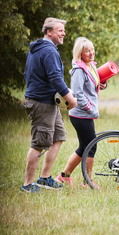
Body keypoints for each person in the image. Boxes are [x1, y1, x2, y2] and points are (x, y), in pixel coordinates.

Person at [21, 17, 77, 193]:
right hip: (41, 103)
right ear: (49, 32)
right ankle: (27, 184)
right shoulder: (48, 51)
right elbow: (55, 78)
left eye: (63, 30)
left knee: (58, 136)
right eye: (60, 30)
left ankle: (44, 178)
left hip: (47, 101)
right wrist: (71, 99)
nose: (63, 33)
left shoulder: (41, 49)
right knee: (39, 143)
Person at [55, 37, 107, 189]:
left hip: (85, 114)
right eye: (87, 51)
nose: (91, 53)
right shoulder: (78, 69)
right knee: (92, 146)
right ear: (80, 54)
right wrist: (91, 110)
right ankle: (87, 182)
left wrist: (101, 85)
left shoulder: (90, 66)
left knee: (84, 147)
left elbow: (91, 86)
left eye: (92, 50)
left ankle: (63, 176)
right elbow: (78, 94)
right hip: (80, 114)